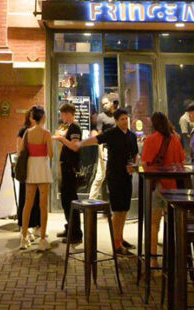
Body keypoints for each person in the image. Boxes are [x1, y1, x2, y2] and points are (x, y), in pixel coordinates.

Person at [81, 107, 138, 255]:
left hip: (127, 175)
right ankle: (116, 243)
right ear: (116, 121)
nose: (125, 121)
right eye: (122, 119)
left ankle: (120, 237)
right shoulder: (112, 134)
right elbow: (96, 139)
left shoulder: (131, 135)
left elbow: (135, 154)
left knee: (125, 210)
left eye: (126, 118)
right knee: (118, 210)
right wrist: (80, 144)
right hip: (114, 175)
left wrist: (134, 165)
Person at [141, 112, 186, 267]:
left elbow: (146, 164)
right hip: (172, 186)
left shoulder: (150, 139)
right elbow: (181, 162)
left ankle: (153, 258)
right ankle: (172, 257)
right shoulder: (175, 139)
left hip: (156, 185)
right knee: (171, 223)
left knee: (154, 223)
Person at [18, 106, 53, 250]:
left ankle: (24, 238)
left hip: (31, 168)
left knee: (28, 203)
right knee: (43, 205)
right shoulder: (46, 133)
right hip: (43, 168)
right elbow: (50, 154)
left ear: (34, 117)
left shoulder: (27, 132)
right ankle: (42, 240)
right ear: (43, 117)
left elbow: (21, 150)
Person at [52, 102, 83, 245]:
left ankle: (75, 233)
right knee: (66, 200)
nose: (62, 117)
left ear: (69, 113)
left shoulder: (75, 127)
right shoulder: (69, 128)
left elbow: (75, 147)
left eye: (63, 114)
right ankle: (69, 227)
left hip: (70, 169)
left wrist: (60, 139)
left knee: (70, 201)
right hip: (66, 168)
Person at [16, 109, 42, 240]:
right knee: (25, 198)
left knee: (37, 198)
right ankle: (24, 228)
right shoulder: (24, 130)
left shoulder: (40, 131)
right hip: (27, 168)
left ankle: (36, 225)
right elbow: (19, 149)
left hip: (36, 169)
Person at [88, 96, 117, 200]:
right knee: (101, 175)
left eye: (106, 103)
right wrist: (101, 152)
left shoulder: (117, 115)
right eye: (103, 104)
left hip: (116, 149)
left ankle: (114, 200)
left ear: (111, 102)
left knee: (114, 175)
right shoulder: (101, 117)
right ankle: (91, 200)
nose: (104, 106)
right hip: (105, 149)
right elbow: (99, 136)